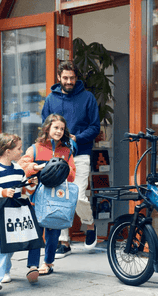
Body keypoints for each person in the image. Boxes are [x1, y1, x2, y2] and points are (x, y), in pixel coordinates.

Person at [41, 60, 101, 256]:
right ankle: (63, 241)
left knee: (78, 196)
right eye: (65, 78)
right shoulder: (51, 99)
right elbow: (45, 124)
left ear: (77, 78)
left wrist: (77, 137)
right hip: (57, 154)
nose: (68, 81)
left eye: (72, 78)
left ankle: (89, 225)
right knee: (60, 196)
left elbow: (95, 127)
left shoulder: (88, 98)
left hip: (81, 153)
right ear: (59, 78)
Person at [18, 114, 77, 275]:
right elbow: (21, 166)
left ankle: (49, 263)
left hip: (56, 199)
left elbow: (72, 175)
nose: (58, 131)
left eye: (62, 129)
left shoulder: (66, 151)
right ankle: (32, 266)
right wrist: (35, 168)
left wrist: (62, 168)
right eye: (56, 127)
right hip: (36, 198)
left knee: (53, 231)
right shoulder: (35, 148)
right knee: (35, 232)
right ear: (47, 128)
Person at [0, 133, 38, 294]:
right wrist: (3, 192)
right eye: (19, 149)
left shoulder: (19, 170)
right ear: (7, 151)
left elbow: (23, 193)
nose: (21, 152)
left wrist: (31, 185)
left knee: (9, 244)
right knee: (1, 244)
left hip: (14, 213)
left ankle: (5, 271)